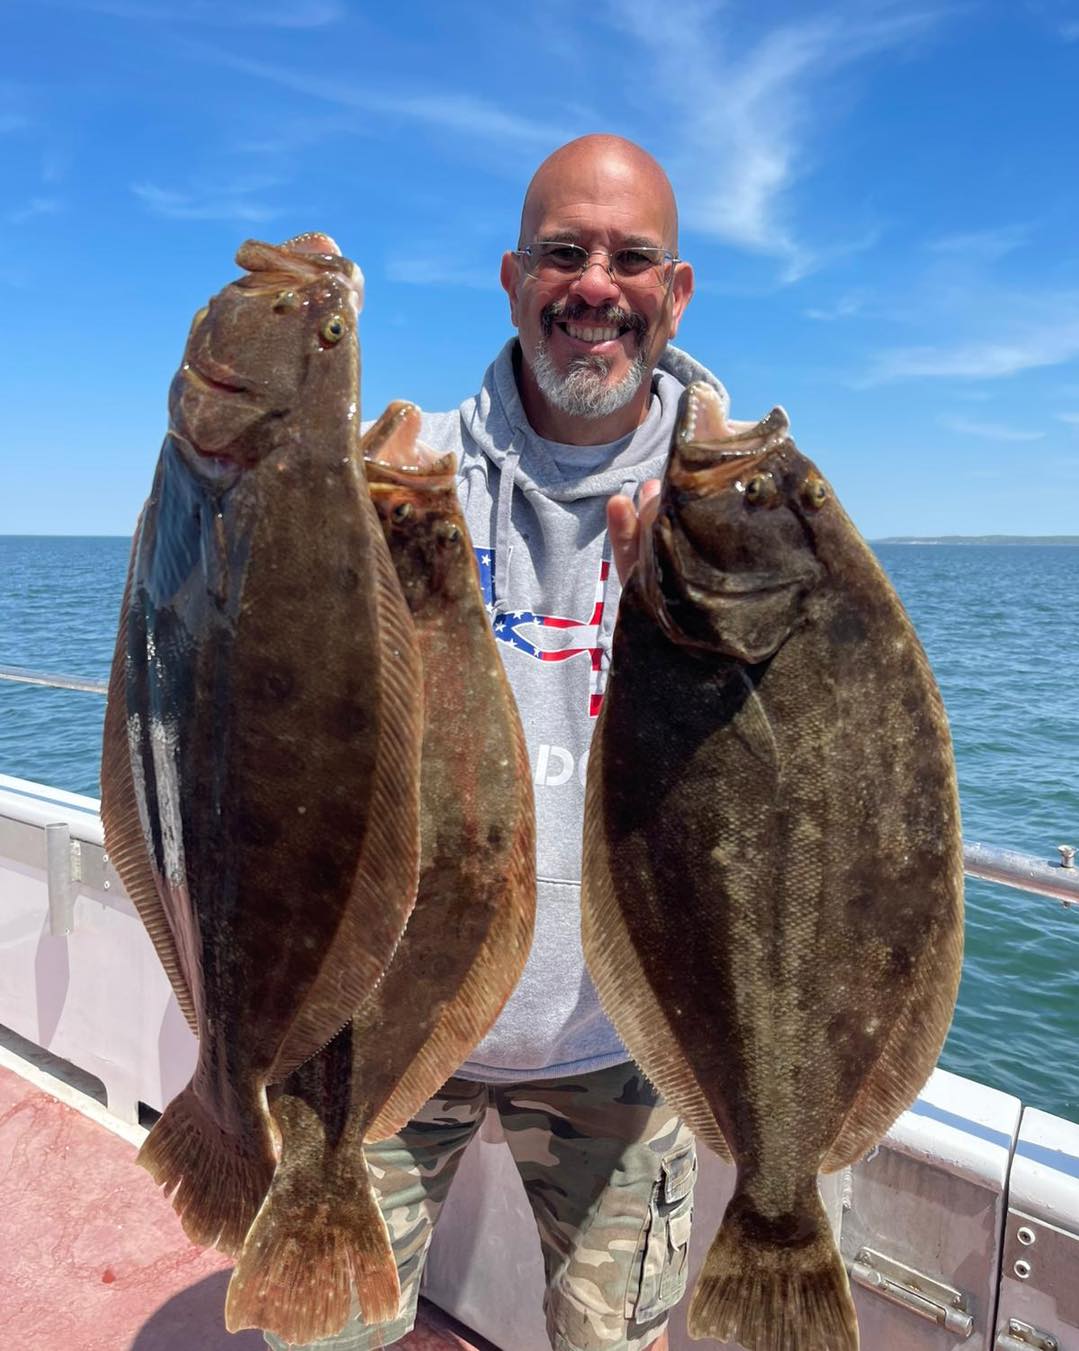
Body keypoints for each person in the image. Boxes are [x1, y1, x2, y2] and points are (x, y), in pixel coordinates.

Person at [264, 133, 730, 1351]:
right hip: (377, 1032)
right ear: (513, 277)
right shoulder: (398, 479)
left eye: (631, 259)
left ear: (675, 291)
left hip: (621, 1050)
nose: (595, 286)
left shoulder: (735, 518)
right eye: (562, 253)